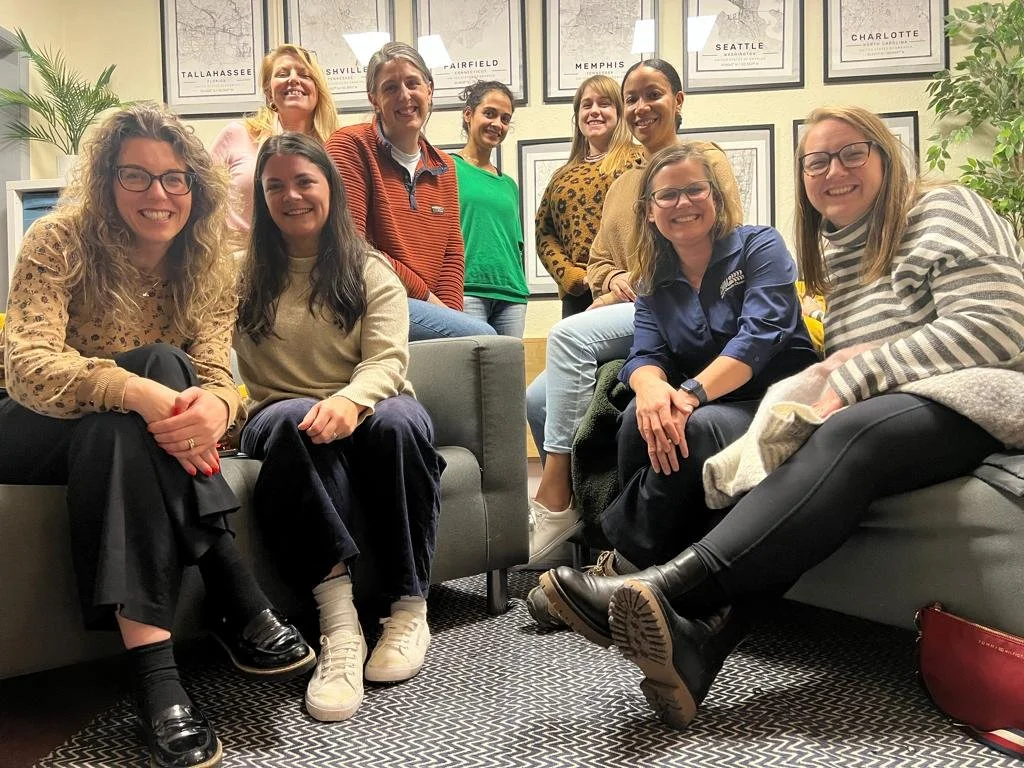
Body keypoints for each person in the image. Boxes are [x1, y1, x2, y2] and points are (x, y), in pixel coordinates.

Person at [539, 105, 1024, 730]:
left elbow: (996, 327)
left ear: (887, 154)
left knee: (834, 431)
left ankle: (661, 586)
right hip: (883, 406)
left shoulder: (940, 207)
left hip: (972, 397)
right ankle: (695, 648)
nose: (833, 172)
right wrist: (654, 385)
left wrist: (846, 378)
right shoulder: (836, 243)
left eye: (851, 153)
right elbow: (645, 349)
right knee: (697, 433)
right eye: (815, 161)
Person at [0, 103, 314, 768]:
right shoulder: (58, 241)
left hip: (110, 442)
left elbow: (214, 378)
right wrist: (140, 392)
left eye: (175, 179)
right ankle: (233, 590)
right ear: (106, 180)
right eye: (135, 176)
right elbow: (26, 368)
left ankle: (155, 678)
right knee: (152, 374)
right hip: (30, 427)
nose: (158, 194)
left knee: (139, 407)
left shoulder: (208, 267)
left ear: (196, 188)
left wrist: (220, 406)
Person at [234, 133, 446, 723]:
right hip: (277, 416)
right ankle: (340, 625)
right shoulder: (237, 276)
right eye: (274, 185)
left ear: (330, 188)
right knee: (290, 420)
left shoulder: (369, 268)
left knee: (402, 420)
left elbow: (386, 361)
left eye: (304, 181)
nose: (290, 195)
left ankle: (408, 608)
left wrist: (351, 402)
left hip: (366, 404)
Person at [525, 60, 742, 567]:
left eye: (654, 94)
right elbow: (600, 259)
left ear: (679, 100)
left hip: (681, 305)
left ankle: (554, 502)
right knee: (537, 398)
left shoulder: (704, 159)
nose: (641, 107)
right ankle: (590, 518)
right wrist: (611, 280)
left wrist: (637, 285)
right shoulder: (623, 183)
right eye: (633, 98)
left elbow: (718, 237)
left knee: (569, 339)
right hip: (630, 306)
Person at [325, 42, 495, 341]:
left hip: (424, 309)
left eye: (413, 83)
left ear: (429, 89)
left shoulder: (444, 165)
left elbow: (452, 255)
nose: (404, 96)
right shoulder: (349, 145)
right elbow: (353, 246)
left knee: (468, 350)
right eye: (390, 88)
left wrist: (449, 317)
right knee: (487, 341)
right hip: (370, 301)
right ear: (374, 99)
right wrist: (429, 299)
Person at [535, 75, 643, 318]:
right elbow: (544, 233)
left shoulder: (639, 160)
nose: (594, 111)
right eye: (587, 105)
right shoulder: (561, 176)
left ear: (620, 111)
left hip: (629, 287)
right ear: (578, 116)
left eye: (604, 103)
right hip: (579, 295)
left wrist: (633, 275)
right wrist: (572, 276)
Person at [210, 44, 337, 232]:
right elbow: (200, 199)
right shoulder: (237, 135)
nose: (293, 79)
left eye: (304, 75)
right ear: (269, 92)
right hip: (235, 256)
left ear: (317, 89)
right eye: (283, 74)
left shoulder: (335, 146)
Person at [451, 80, 529, 337]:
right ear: (468, 114)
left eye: (505, 119)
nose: (498, 124)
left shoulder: (509, 185)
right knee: (472, 372)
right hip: (468, 289)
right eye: (490, 113)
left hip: (512, 293)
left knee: (509, 374)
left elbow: (515, 245)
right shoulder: (447, 168)